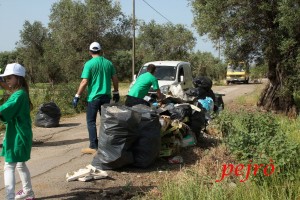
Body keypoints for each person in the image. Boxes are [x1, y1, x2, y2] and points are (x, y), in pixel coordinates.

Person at [72, 42, 119, 154]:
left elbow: (84, 81)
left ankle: (93, 146)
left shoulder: (89, 64)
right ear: (100, 51)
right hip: (106, 97)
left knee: (91, 122)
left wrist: (77, 95)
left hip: (93, 98)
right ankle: (106, 144)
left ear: (90, 52)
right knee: (106, 121)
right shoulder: (108, 63)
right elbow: (115, 78)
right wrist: (116, 92)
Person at [0, 63, 35, 200]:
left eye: (9, 77)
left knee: (9, 166)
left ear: (18, 78)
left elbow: (5, 109)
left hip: (17, 136)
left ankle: (9, 197)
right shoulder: (21, 93)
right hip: (21, 134)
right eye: (5, 78)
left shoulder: (18, 95)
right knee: (20, 164)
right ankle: (28, 192)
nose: (7, 80)